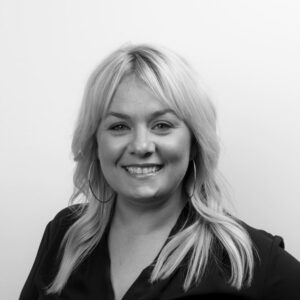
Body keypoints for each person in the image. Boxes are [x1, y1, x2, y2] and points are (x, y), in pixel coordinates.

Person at [19, 44, 300, 300]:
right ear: (95, 143)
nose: (141, 146)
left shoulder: (248, 258)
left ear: (195, 141)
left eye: (162, 125)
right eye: (119, 126)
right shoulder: (64, 235)